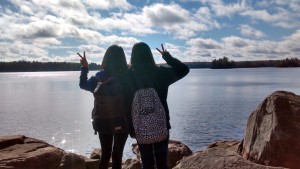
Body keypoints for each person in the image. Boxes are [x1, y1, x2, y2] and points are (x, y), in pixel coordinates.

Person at [122, 42, 189, 169]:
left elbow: (126, 105)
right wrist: (167, 57)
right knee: (162, 163)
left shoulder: (127, 76)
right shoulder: (161, 72)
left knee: (147, 163)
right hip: (161, 123)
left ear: (133, 56)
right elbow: (184, 69)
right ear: (150, 55)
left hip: (139, 125)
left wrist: (130, 128)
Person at [78, 45, 128, 169]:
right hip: (121, 121)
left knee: (105, 154)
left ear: (106, 58)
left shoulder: (98, 78)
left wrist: (85, 67)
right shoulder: (127, 78)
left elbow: (83, 84)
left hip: (102, 121)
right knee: (117, 155)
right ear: (122, 59)